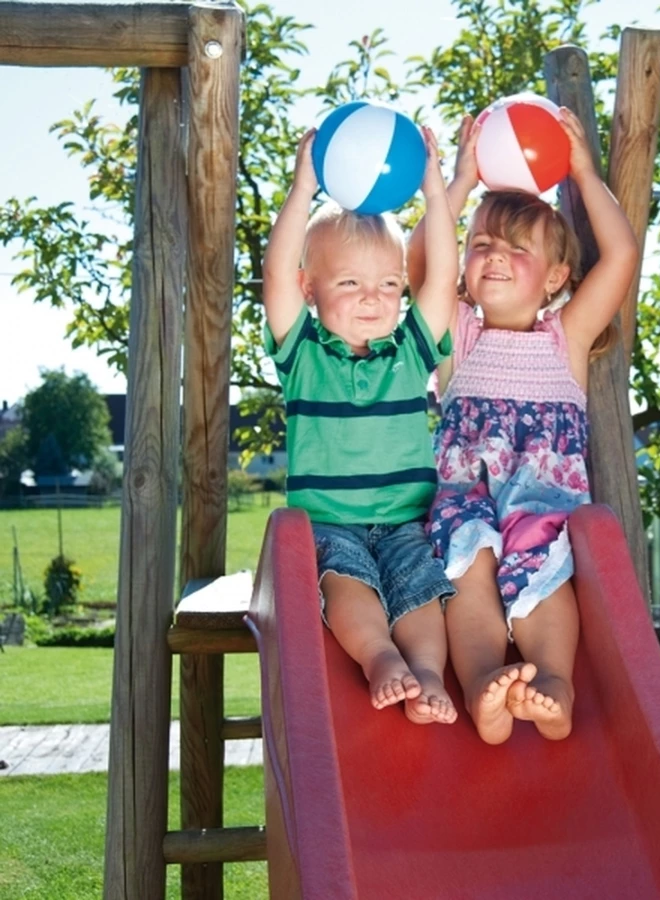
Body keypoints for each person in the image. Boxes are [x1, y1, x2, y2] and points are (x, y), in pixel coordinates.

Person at [407, 108, 639, 744]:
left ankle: (555, 685)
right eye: (481, 244)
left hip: (544, 506)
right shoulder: (457, 335)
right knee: (466, 566)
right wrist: (460, 180)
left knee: (544, 570)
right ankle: (483, 680)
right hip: (467, 502)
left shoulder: (568, 336)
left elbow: (621, 254)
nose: (495, 257)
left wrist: (584, 171)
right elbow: (420, 265)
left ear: (557, 277)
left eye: (518, 249)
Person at [262, 125, 460, 725]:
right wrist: (302, 188)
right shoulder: (303, 356)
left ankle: (427, 673)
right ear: (310, 289)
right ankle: (380, 659)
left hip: (405, 520)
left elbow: (443, 278)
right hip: (329, 522)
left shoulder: (411, 352)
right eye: (349, 283)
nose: (372, 298)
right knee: (348, 585)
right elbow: (276, 275)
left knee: (420, 590)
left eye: (388, 285)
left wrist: (435, 191)